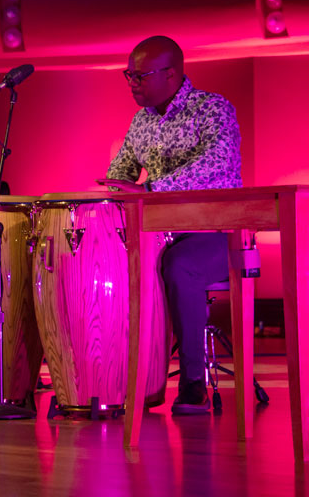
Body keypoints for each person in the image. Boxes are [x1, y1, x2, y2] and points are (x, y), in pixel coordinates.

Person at [97, 35, 242, 414]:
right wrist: (109, 192)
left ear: (172, 74)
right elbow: (121, 173)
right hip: (161, 231)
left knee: (179, 266)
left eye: (140, 76)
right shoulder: (141, 121)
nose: (132, 83)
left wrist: (149, 189)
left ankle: (194, 383)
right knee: (107, 260)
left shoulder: (213, 109)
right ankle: (122, 378)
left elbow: (216, 166)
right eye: (128, 75)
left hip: (216, 232)